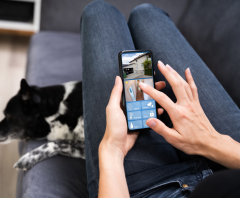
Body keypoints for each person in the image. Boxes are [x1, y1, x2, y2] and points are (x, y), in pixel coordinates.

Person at [80, 1, 240, 198]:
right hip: (232, 162)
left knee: (99, 12)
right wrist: (210, 140)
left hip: (149, 188)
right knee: (145, 14)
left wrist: (112, 149)